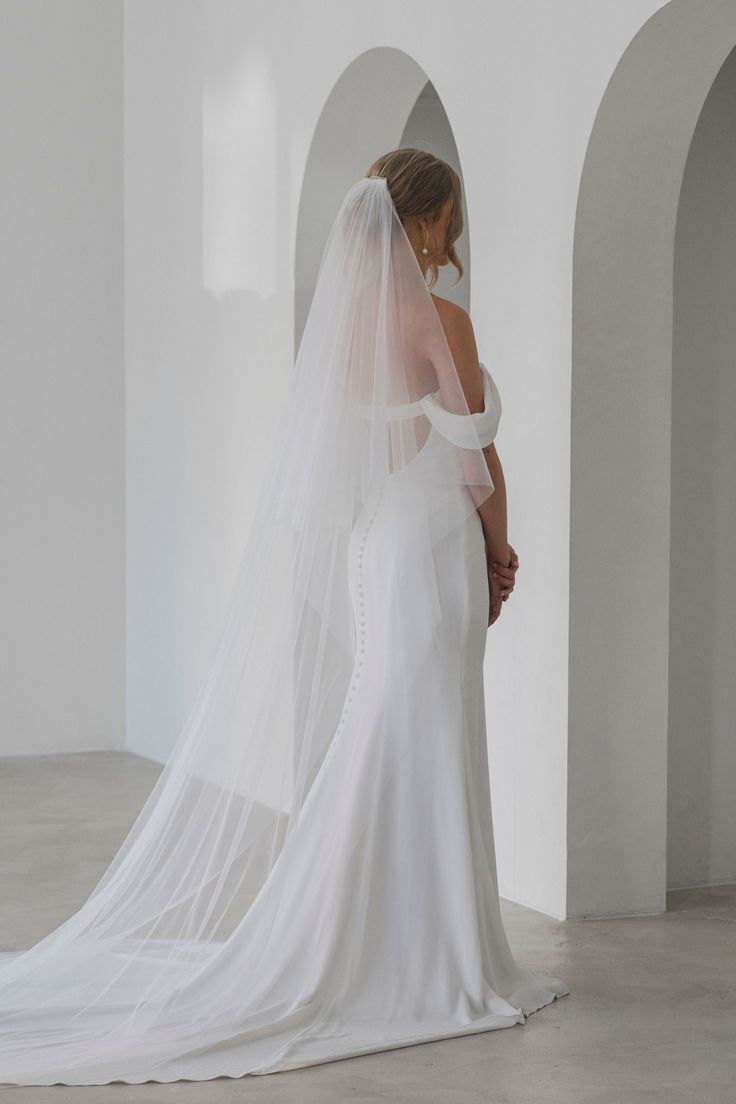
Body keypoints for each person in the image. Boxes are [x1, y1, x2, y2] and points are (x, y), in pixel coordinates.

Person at [0, 148, 568, 1086]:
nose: (448, 237)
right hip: (431, 549)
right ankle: (438, 951)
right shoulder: (444, 321)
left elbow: (346, 463)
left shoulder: (339, 331)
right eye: (445, 219)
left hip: (373, 551)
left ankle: (356, 933)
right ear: (423, 220)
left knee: (379, 733)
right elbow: (474, 465)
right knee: (425, 736)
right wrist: (500, 556)